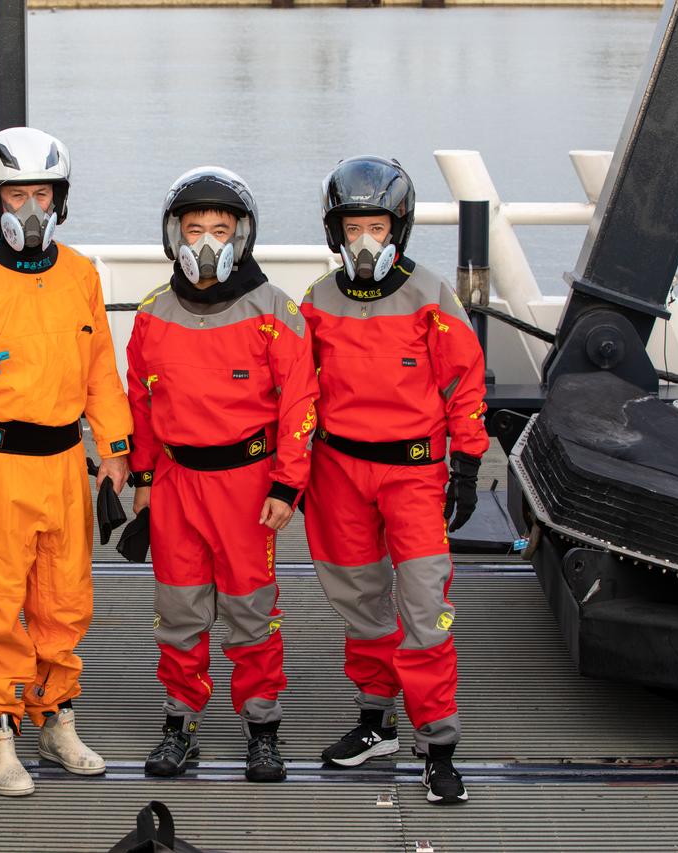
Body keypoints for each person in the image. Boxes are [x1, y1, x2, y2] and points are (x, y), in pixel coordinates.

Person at [0, 126, 133, 798]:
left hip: (66, 462)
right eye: (17, 193)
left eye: (42, 192)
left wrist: (115, 448)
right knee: (1, 605)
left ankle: (56, 718)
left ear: (59, 198)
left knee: (65, 600)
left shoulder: (81, 275)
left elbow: (100, 369)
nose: (30, 207)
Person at [300, 155, 488, 805]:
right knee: (361, 600)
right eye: (352, 229)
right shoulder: (318, 302)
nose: (364, 241)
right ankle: (375, 720)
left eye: (375, 226)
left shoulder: (431, 296)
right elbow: (298, 394)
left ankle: (438, 745)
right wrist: (290, 472)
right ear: (336, 233)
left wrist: (465, 462)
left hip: (413, 473)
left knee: (424, 609)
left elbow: (464, 381)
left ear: (397, 228)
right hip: (337, 472)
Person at [125, 167, 319, 783]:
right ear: (172, 235)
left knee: (250, 609)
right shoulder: (154, 312)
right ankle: (180, 724)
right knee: (178, 608)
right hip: (179, 483)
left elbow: (300, 403)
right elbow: (141, 401)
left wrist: (288, 484)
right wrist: (143, 479)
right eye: (193, 228)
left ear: (242, 237)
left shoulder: (275, 310)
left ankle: (262, 728)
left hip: (248, 484)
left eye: (219, 229)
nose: (205, 241)